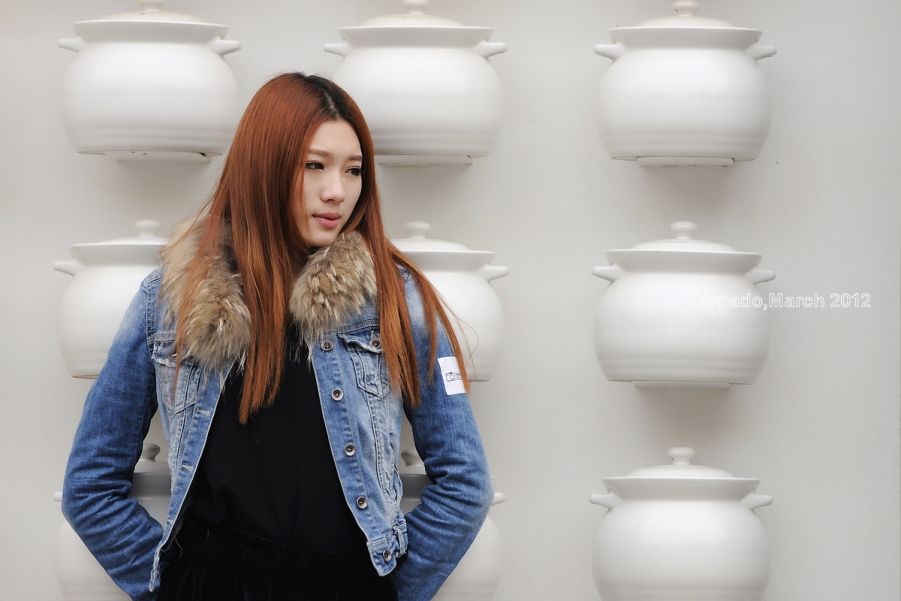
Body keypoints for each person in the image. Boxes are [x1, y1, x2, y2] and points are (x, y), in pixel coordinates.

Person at [61, 72, 493, 601]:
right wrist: (170, 587)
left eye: (353, 170)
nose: (337, 191)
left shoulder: (395, 299)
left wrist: (386, 592)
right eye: (315, 165)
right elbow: (90, 486)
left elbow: (465, 484)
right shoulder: (170, 300)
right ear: (263, 166)